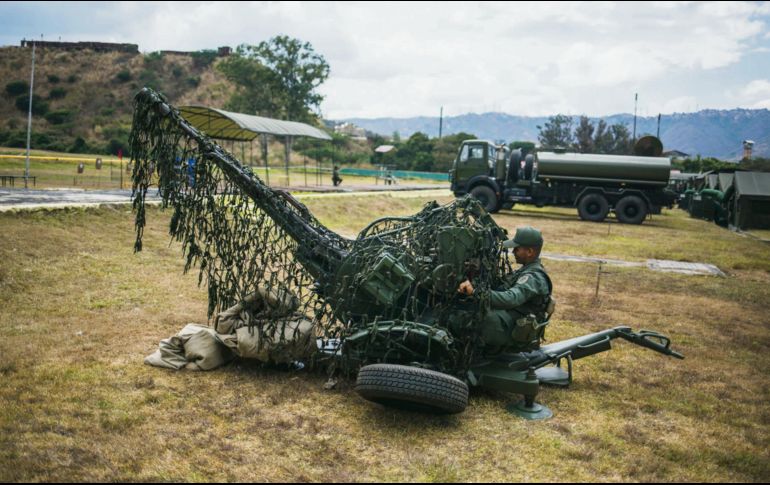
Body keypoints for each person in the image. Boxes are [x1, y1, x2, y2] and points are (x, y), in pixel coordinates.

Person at [458, 226, 553, 351]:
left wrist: (475, 292)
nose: (513, 252)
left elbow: (511, 298)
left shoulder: (534, 277)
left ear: (530, 252)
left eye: (517, 249)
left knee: (466, 317)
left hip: (515, 329)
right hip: (511, 318)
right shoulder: (525, 270)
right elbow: (501, 288)